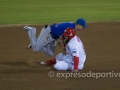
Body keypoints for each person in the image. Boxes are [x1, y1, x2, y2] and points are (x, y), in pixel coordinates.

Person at [23, 18, 88, 56]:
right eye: (83, 27)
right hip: (48, 32)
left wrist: (65, 48)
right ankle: (31, 31)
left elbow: (64, 39)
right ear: (79, 25)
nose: (83, 28)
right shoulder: (71, 28)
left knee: (50, 53)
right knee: (36, 49)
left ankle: (35, 42)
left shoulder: (72, 27)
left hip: (54, 37)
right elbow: (60, 40)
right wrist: (64, 49)